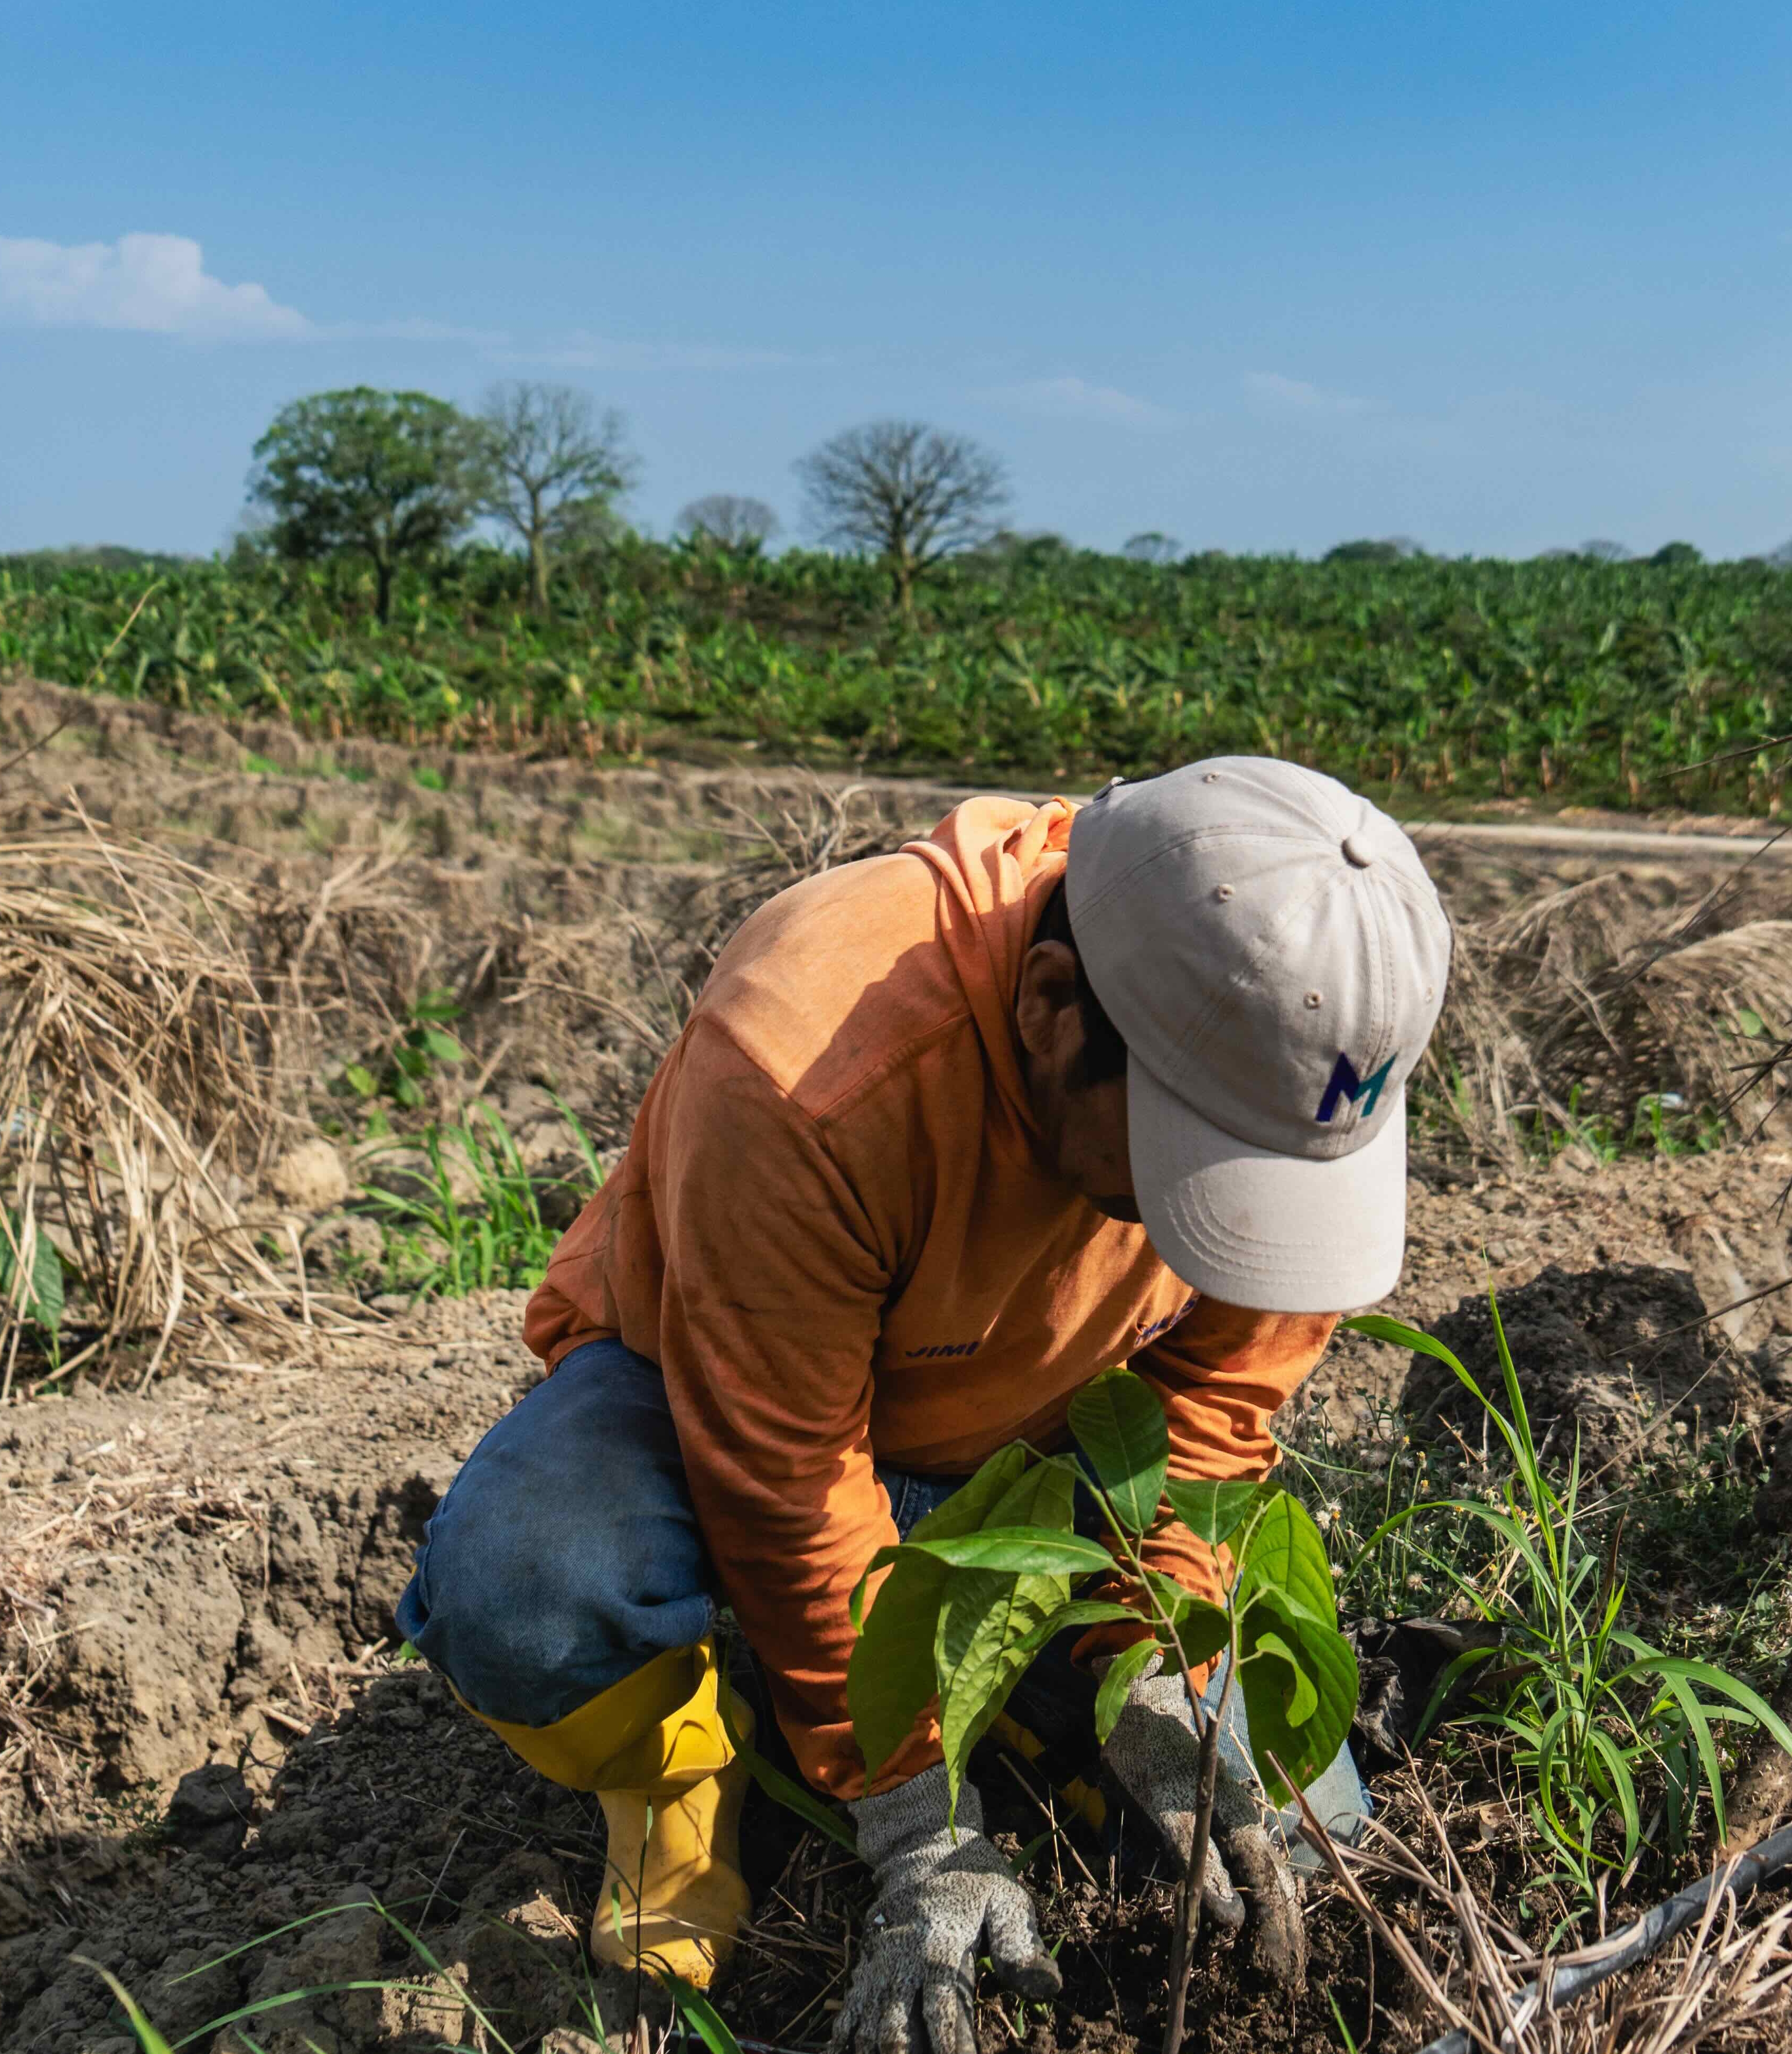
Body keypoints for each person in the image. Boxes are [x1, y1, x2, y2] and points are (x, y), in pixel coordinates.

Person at [394, 755, 1450, 2051]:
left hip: (1035, 1455)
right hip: (712, 1413)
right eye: (1189, 1173)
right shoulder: (808, 1066)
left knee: (1297, 1824)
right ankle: (696, 1756)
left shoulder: (1286, 1069)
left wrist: (1155, 1658)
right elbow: (785, 1476)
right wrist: (914, 1810)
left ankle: (1010, 1691)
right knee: (529, 1597)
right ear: (1056, 1009)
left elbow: (1216, 1409)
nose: (1220, 1223)